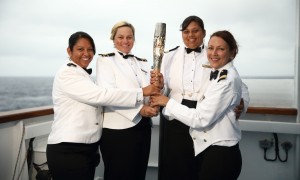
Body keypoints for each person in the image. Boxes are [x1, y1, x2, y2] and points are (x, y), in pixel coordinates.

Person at [46, 31, 159, 180]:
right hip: (69, 148)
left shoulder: (83, 75)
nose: (86, 53)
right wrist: (141, 93)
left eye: (90, 49)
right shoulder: (67, 73)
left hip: (88, 148)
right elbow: (102, 95)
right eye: (80, 49)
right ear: (69, 51)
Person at [150, 15, 249, 180]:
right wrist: (160, 85)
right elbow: (165, 87)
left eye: (195, 31)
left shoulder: (214, 55)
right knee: (175, 169)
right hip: (175, 119)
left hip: (203, 118)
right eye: (186, 31)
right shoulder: (169, 56)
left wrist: (242, 104)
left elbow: (241, 87)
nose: (191, 35)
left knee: (197, 169)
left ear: (203, 32)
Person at [96, 21, 158, 180]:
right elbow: (109, 95)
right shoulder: (105, 60)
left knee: (138, 174)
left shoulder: (142, 62)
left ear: (134, 39)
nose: (125, 41)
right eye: (120, 37)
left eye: (129, 37)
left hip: (143, 127)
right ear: (113, 39)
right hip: (118, 131)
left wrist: (159, 88)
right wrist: (139, 109)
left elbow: (149, 92)